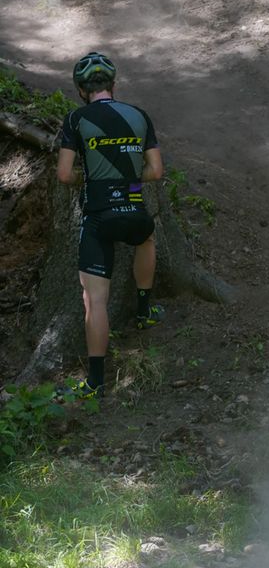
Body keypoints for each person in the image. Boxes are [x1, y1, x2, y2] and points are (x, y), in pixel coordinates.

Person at [56, 51, 165, 397]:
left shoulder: (76, 119)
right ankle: (144, 310)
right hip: (134, 209)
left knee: (95, 301)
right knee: (146, 240)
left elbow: (63, 175)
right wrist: (128, 180)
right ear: (113, 85)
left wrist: (90, 180)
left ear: (81, 89)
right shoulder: (139, 115)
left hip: (98, 216)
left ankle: (96, 382)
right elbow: (156, 171)